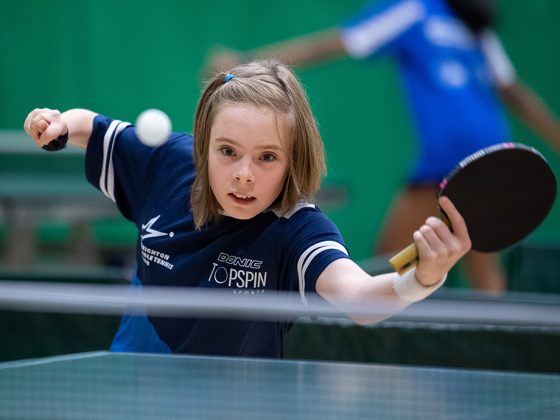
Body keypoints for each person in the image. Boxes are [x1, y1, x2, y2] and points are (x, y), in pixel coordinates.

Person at [23, 60, 470, 358]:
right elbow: (92, 127)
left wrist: (423, 278)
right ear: (203, 145)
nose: (244, 175)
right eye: (228, 151)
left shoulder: (297, 230)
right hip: (132, 392)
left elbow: (360, 300)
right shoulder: (168, 164)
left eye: (267, 157)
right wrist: (59, 123)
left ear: (293, 161)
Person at [207, 0, 560, 293]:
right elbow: (513, 91)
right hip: (491, 152)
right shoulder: (459, 24)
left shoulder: (430, 13)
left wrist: (245, 62)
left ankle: (371, 352)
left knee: (383, 266)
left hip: (449, 159)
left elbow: (335, 43)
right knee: (484, 274)